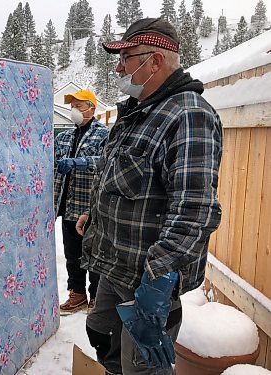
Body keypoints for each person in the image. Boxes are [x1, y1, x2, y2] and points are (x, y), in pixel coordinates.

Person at [76, 18, 223, 374]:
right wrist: (94, 213)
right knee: (101, 336)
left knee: (142, 366)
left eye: (126, 57)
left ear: (154, 61)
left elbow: (194, 211)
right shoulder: (138, 112)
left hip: (147, 278)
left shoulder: (189, 116)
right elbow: (120, 174)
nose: (119, 67)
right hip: (116, 266)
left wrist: (158, 280)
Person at [54, 89, 109, 315]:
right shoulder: (63, 137)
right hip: (67, 206)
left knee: (94, 254)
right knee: (72, 255)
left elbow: (107, 161)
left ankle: (96, 296)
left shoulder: (104, 134)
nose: (75, 110)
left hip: (89, 206)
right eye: (72, 106)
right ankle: (77, 294)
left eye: (79, 106)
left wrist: (80, 162)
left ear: (92, 109)